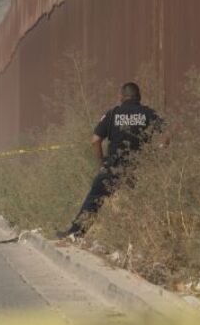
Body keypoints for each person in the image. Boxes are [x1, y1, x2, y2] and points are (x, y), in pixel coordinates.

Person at [59, 82, 163, 239]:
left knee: (95, 197)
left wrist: (102, 162)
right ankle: (143, 238)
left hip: (113, 168)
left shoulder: (113, 114)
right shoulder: (148, 113)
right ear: (139, 96)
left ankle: (76, 233)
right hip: (139, 168)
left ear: (121, 97)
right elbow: (167, 133)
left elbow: (95, 140)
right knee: (141, 202)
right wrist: (158, 150)